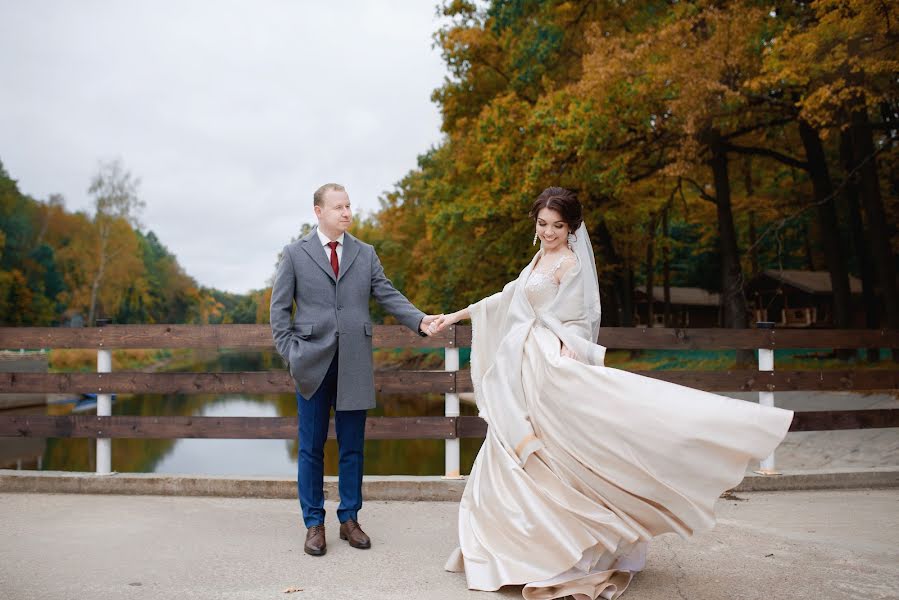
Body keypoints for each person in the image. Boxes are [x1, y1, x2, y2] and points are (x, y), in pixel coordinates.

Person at [434, 187, 793, 600]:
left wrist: (569, 345)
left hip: (544, 360)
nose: (549, 232)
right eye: (543, 224)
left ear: (571, 228)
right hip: (517, 363)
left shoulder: (570, 263)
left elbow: (579, 317)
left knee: (556, 449)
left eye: (557, 226)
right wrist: (455, 315)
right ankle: (511, 548)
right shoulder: (537, 259)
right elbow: (505, 299)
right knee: (508, 448)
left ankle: (567, 548)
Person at [271, 183, 440, 557]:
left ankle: (349, 519)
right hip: (311, 363)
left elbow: (387, 293)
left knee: (352, 448)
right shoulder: (295, 254)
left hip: (354, 362)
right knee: (311, 449)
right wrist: (291, 355)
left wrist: (420, 320)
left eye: (348, 206)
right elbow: (279, 311)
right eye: (338, 207)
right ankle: (314, 524)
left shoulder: (365, 254)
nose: (346, 212)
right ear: (318, 211)